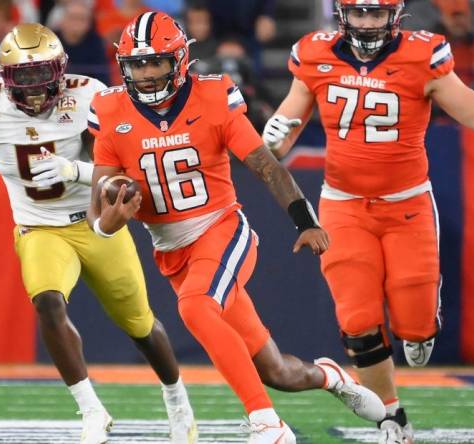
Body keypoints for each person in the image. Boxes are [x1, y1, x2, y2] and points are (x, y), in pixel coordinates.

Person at [87, 11, 386, 444]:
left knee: (196, 307)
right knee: (277, 372)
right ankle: (331, 377)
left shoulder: (211, 96)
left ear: (181, 60)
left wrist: (304, 220)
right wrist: (107, 222)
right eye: (138, 65)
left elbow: (263, 162)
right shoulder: (111, 110)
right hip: (173, 251)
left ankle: (267, 424)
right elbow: (101, 201)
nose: (148, 75)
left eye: (157, 63)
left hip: (221, 227)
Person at [260, 1, 474, 443]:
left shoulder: (422, 55)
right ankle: (391, 416)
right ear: (343, 14)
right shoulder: (314, 54)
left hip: (407, 207)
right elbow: (287, 125)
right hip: (344, 205)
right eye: (360, 13)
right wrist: (273, 137)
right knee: (357, 316)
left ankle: (423, 320)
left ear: (396, 15)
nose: (368, 23)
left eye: (377, 13)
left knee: (414, 326)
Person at [0, 23, 197, 444]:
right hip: (38, 226)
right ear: (5, 77)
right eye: (23, 77)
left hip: (94, 223)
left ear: (62, 70)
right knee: (48, 302)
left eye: (43, 75)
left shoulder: (89, 97)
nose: (36, 89)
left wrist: (73, 170)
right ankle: (92, 411)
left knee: (140, 325)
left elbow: (123, 175)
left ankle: (176, 398)